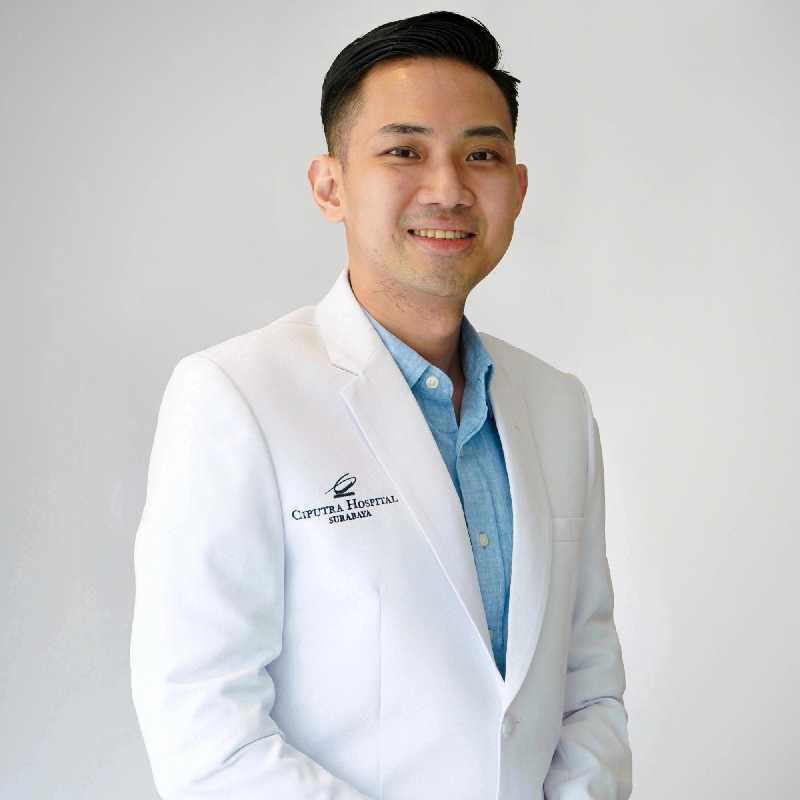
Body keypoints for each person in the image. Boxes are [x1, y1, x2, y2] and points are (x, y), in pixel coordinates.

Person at [130, 10, 632, 799]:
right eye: (404, 151)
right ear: (330, 186)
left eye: (482, 155)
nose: (449, 188)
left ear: (518, 187)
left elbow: (589, 685)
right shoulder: (236, 396)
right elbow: (204, 725)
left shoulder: (558, 406)